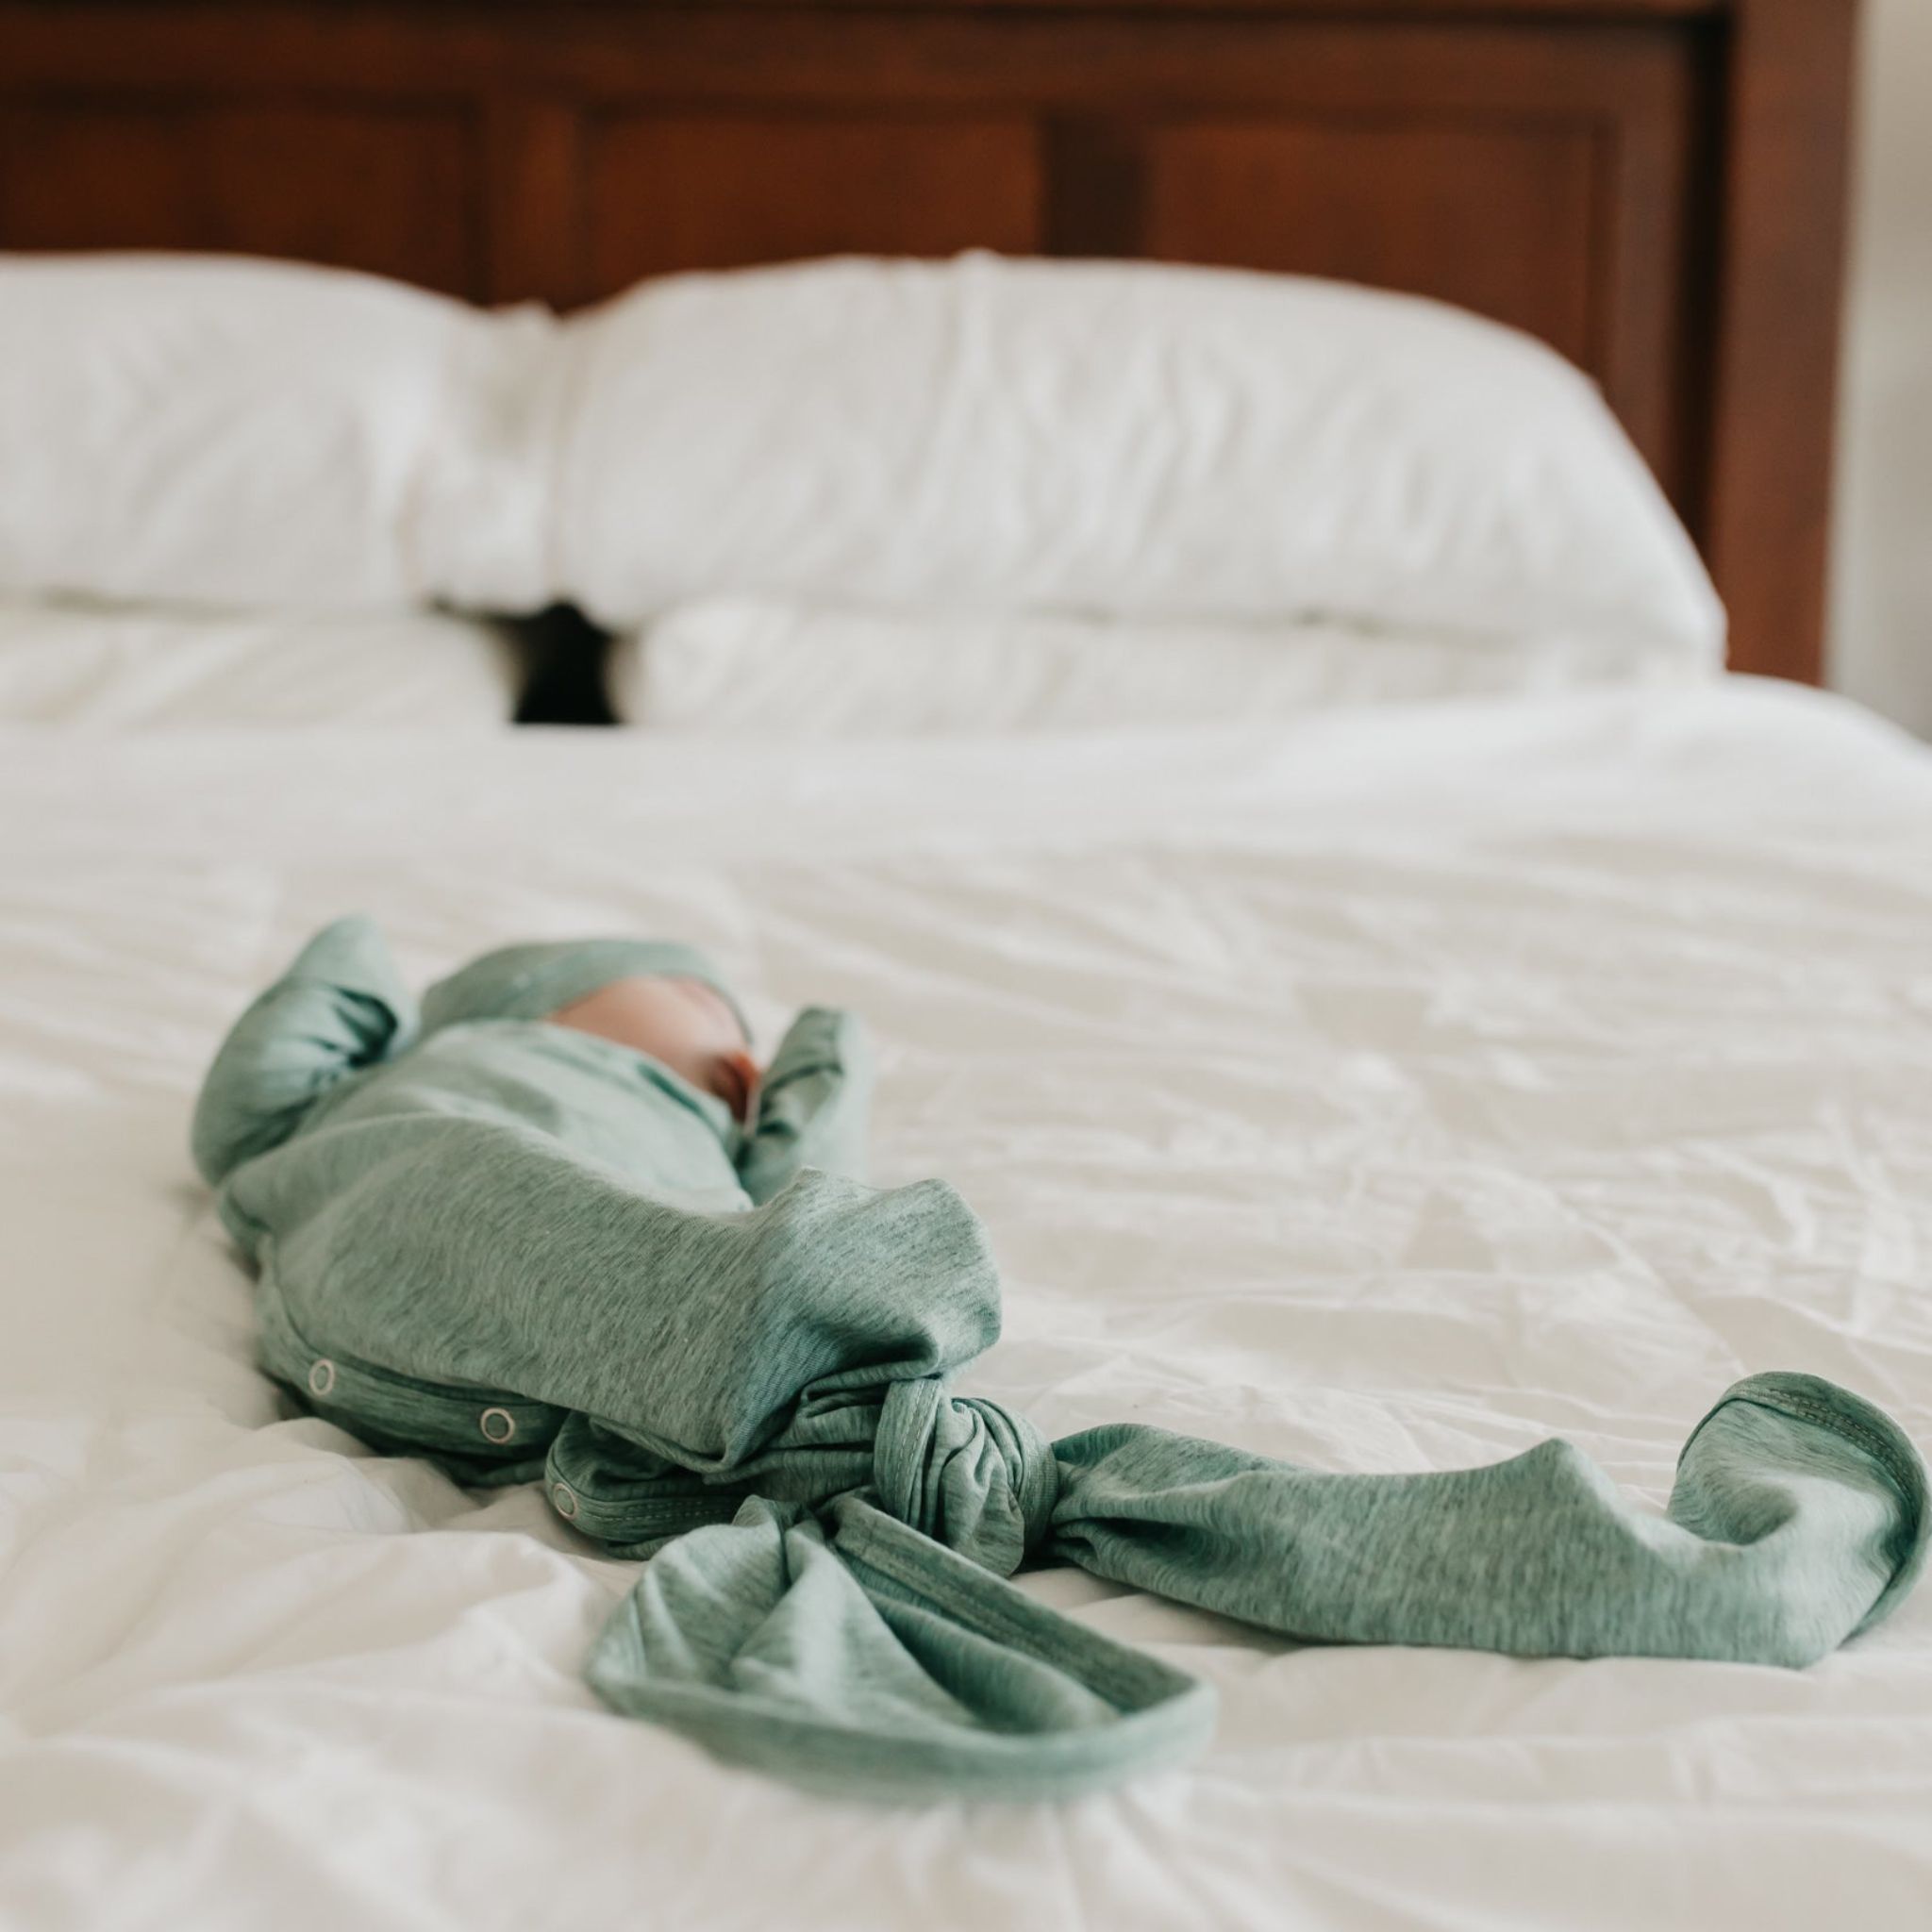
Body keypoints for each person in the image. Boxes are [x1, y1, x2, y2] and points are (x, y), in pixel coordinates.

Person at [191, 917, 1931, 1801]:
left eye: (744, 1049)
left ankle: (808, 1414)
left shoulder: (697, 1146)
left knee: (758, 1278)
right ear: (538, 997)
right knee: (725, 1286)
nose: (736, 1054)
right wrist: (371, 971)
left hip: (584, 1344)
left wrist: (806, 1078)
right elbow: (252, 1098)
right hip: (417, 1214)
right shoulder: (403, 1096)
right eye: (699, 1006)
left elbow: (804, 1176)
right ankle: (814, 1396)